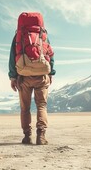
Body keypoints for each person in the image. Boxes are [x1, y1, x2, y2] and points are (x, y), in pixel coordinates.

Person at [8, 12, 55, 145]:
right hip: (41, 76)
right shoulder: (43, 35)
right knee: (41, 105)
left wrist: (13, 77)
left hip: (24, 76)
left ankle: (27, 136)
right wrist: (51, 73)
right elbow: (50, 55)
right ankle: (41, 135)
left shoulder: (18, 36)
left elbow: (12, 57)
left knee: (25, 108)